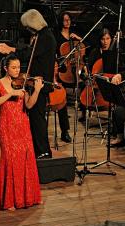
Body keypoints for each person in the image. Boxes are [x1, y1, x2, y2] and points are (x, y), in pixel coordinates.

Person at [0, 9, 56, 159]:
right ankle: (37, 149)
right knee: (34, 117)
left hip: (40, 83)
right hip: (34, 81)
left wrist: (10, 49)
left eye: (27, 26)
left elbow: (29, 54)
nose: (27, 29)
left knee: (38, 118)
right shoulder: (42, 35)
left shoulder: (46, 37)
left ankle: (44, 151)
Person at [0, 54, 42, 211]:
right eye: (13, 67)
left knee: (26, 160)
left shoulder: (23, 83)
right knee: (10, 160)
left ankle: (28, 198)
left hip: (22, 127)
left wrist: (37, 91)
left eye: (19, 67)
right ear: (6, 68)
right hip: (7, 127)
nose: (17, 70)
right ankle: (9, 200)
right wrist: (10, 94)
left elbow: (29, 105)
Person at [53, 11, 82, 143]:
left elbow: (82, 50)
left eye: (69, 19)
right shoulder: (56, 37)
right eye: (65, 20)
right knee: (63, 101)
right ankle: (65, 131)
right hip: (62, 71)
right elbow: (54, 55)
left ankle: (84, 111)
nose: (67, 22)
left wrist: (79, 40)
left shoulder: (73, 36)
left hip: (74, 69)